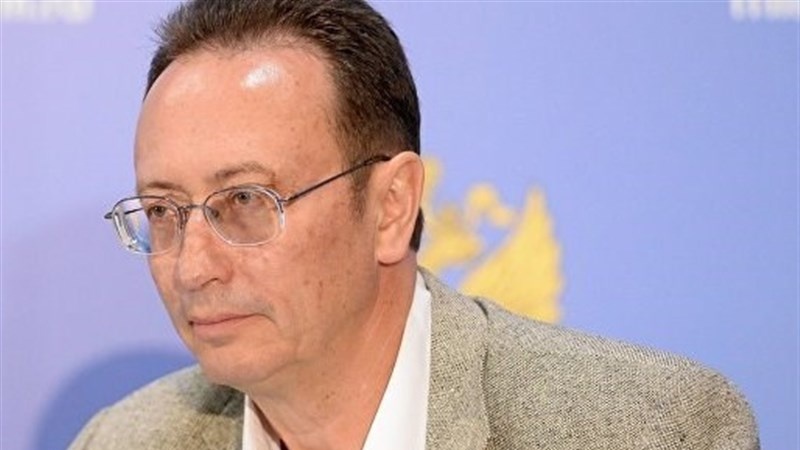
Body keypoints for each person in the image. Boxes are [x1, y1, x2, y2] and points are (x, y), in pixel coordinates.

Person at [70, 0, 759, 449]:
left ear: (391, 206)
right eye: (162, 212)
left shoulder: (651, 428)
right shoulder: (124, 440)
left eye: (246, 201)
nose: (192, 267)